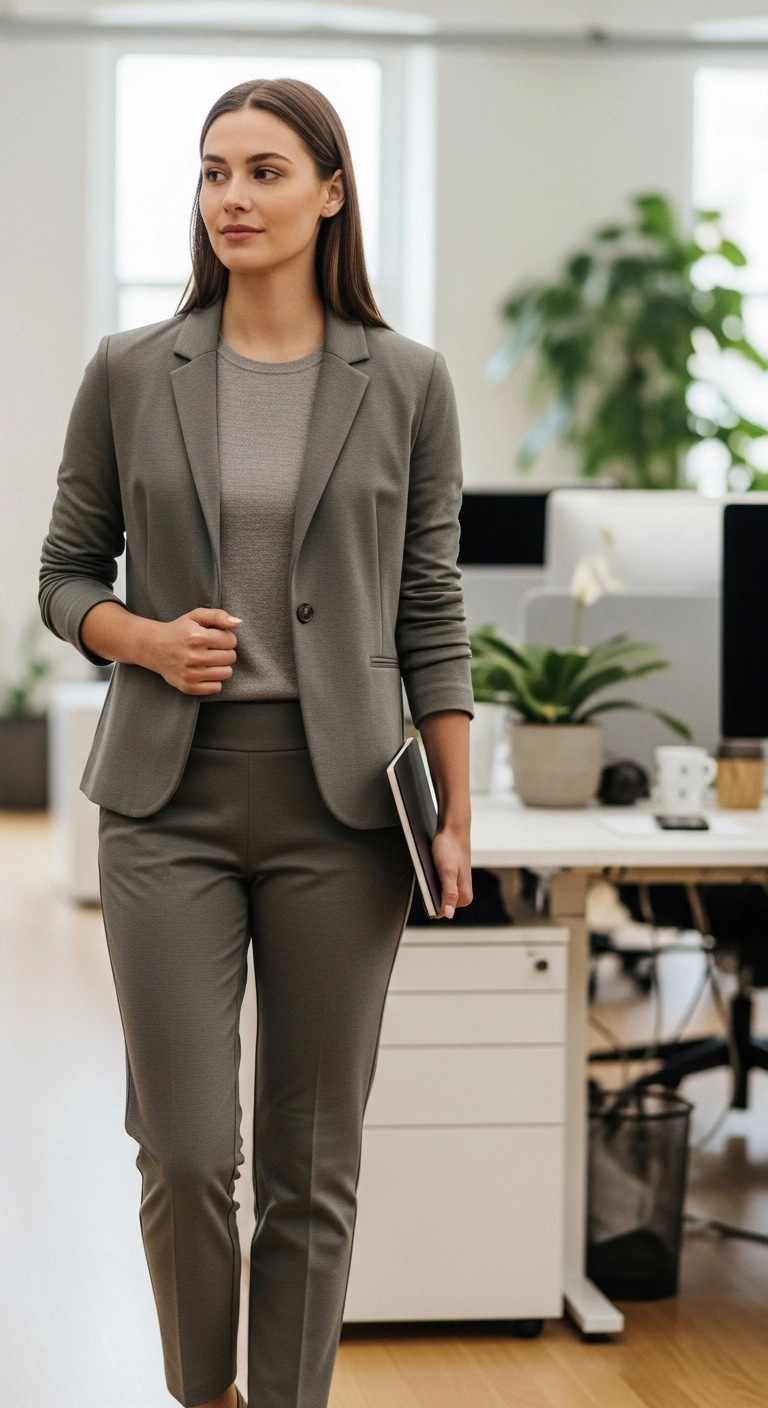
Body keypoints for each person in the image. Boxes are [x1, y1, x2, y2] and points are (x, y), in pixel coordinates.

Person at [39, 77, 473, 1408]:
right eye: (215, 172)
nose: (234, 196)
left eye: (267, 171)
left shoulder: (405, 380)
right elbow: (64, 579)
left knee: (311, 1155)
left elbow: (433, 608)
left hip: (344, 806)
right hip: (167, 796)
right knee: (180, 1146)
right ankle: (202, 1392)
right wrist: (144, 637)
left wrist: (452, 818)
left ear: (331, 191)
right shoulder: (130, 369)